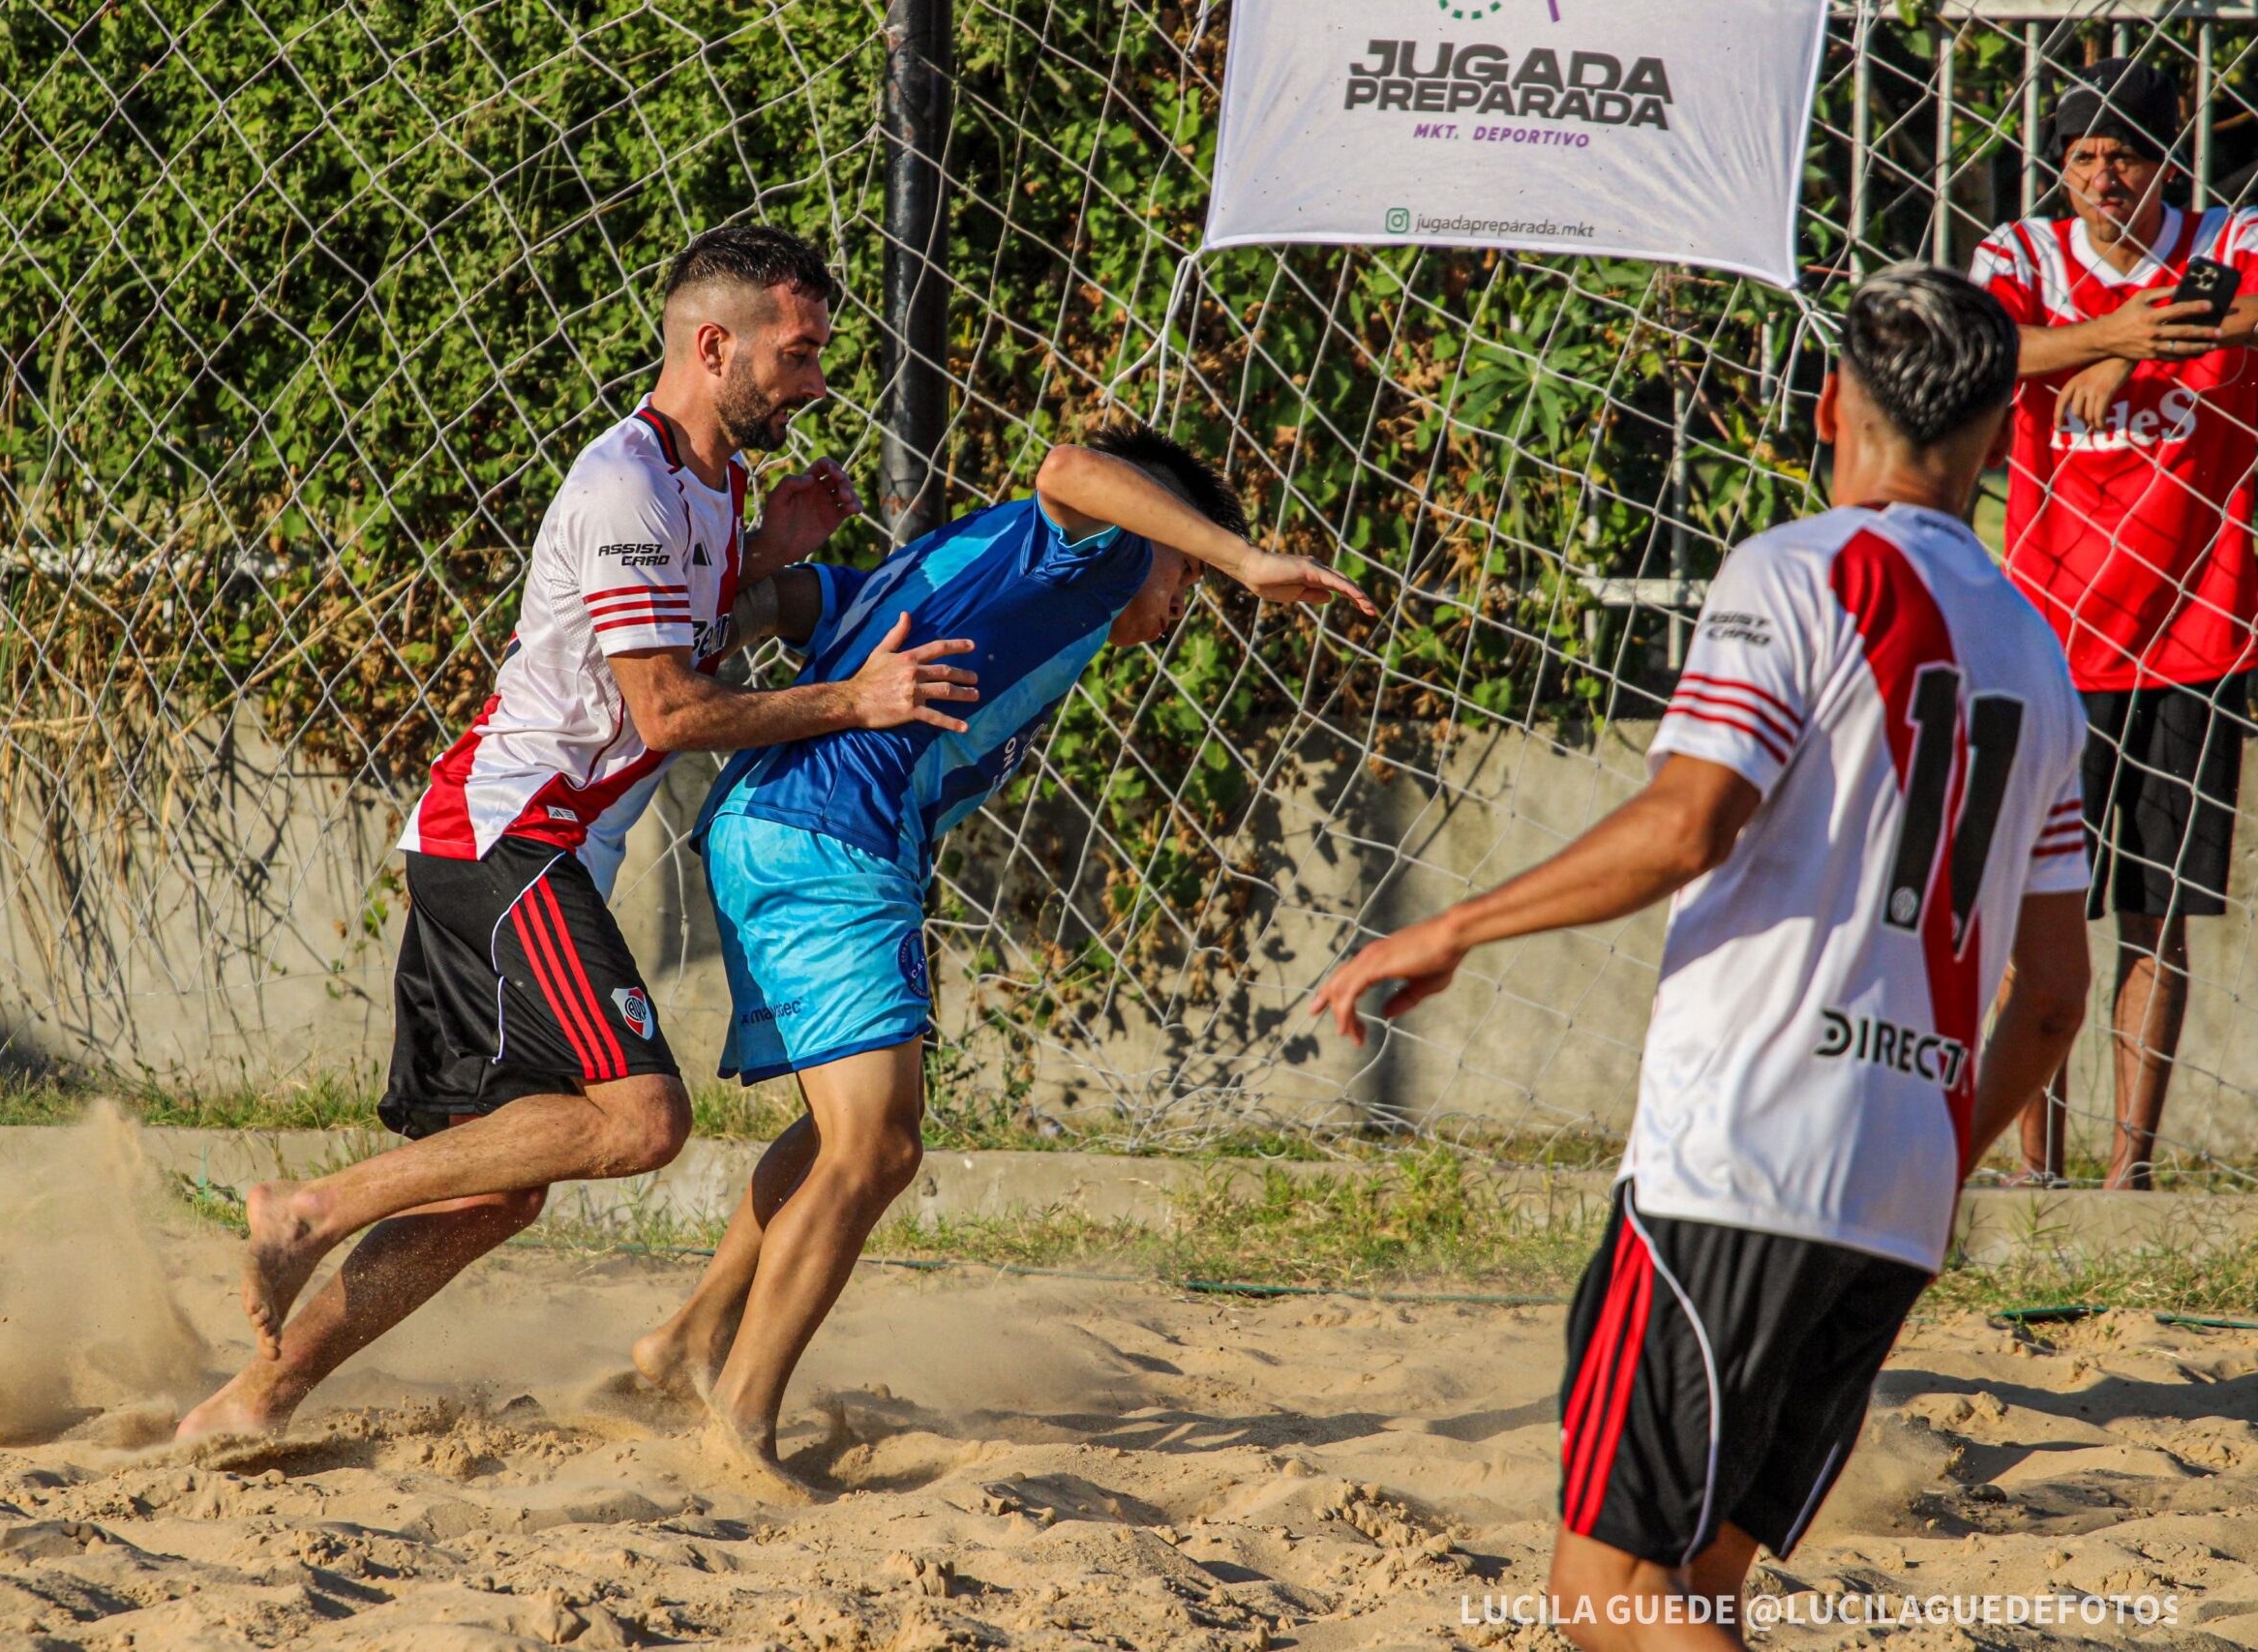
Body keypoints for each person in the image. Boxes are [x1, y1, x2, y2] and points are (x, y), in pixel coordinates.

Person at [1313, 266, 2092, 1651]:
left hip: (1743, 1150)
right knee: (1699, 1586)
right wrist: (1925, 1149)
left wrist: (1447, 925)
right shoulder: (2038, 653)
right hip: (1901, 1179)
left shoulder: (1800, 567)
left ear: (1830, 404)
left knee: (1609, 1595)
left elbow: (1686, 825)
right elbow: (2054, 996)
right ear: (2003, 436)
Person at [176, 225, 983, 1439]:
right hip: (509, 838)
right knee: (643, 1119)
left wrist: (767, 556)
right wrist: (855, 699)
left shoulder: (717, 485)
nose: (815, 383)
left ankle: (250, 1402)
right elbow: (668, 709)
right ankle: (306, 1209)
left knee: (496, 1195)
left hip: (520, 846)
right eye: (798, 355)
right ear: (714, 347)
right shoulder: (626, 483)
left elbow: (678, 637)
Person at [629, 425, 1374, 1497]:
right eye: (1187, 583)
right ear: (1152, 524)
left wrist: (740, 594)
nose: (1172, 616)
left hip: (770, 823)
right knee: (878, 1151)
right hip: (832, 835)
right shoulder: (1095, 548)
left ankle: (688, 1342)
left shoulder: (954, 568)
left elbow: (801, 605)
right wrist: (1239, 557)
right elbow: (1069, 465)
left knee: (842, 1133)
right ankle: (740, 1422)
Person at [1970, 58, 2258, 1188]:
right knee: (2033, 916)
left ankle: (2125, 1171)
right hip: (2050, 635)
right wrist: (2106, 338)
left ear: (2160, 163)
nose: (2099, 177)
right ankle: (2029, 1162)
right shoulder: (2023, 255)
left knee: (2157, 916)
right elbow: (1986, 348)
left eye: (2120, 158)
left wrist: (2167, 332)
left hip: (2196, 634)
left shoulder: (2221, 242)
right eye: (2081, 158)